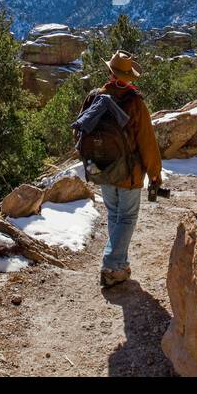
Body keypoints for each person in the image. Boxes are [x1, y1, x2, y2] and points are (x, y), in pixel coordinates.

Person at [80, 50, 162, 288]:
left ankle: (120, 263)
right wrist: (155, 173)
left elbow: (79, 132)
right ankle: (112, 266)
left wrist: (92, 163)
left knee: (115, 215)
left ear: (109, 72)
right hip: (128, 172)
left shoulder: (95, 97)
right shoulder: (134, 102)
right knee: (126, 217)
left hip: (102, 168)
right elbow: (147, 142)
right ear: (129, 77)